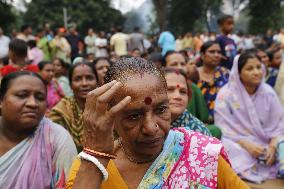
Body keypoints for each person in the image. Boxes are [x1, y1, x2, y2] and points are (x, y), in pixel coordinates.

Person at [67, 57, 249, 189]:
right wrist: (97, 156)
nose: (150, 127)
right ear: (109, 117)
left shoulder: (201, 154)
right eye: (134, 116)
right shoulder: (91, 167)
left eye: (161, 109)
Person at [215, 53, 284, 183]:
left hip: (268, 141)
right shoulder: (226, 94)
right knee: (225, 147)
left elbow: (280, 124)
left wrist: (273, 145)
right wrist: (246, 144)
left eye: (259, 67)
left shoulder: (268, 92)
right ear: (238, 72)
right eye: (250, 68)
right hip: (237, 141)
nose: (256, 72)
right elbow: (222, 127)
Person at [0, 71, 77, 188]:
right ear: (1, 100)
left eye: (40, 98)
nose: (33, 103)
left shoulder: (56, 138)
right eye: (22, 95)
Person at [49, 63, 98, 151]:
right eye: (77, 79)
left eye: (89, 78)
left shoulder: (107, 107)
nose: (84, 83)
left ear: (97, 81)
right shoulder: (62, 109)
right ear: (71, 84)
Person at [163, 51, 209, 122]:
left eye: (183, 64)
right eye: (174, 64)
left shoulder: (194, 88)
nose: (179, 67)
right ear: (164, 67)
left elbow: (204, 117)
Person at [164, 68, 211, 136]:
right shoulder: (146, 121)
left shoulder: (198, 131)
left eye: (183, 92)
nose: (178, 96)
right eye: (170, 90)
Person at [197, 41, 229, 122]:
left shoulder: (226, 73)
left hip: (223, 120)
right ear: (202, 55)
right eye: (212, 52)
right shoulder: (194, 74)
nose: (216, 55)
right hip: (198, 122)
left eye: (219, 52)